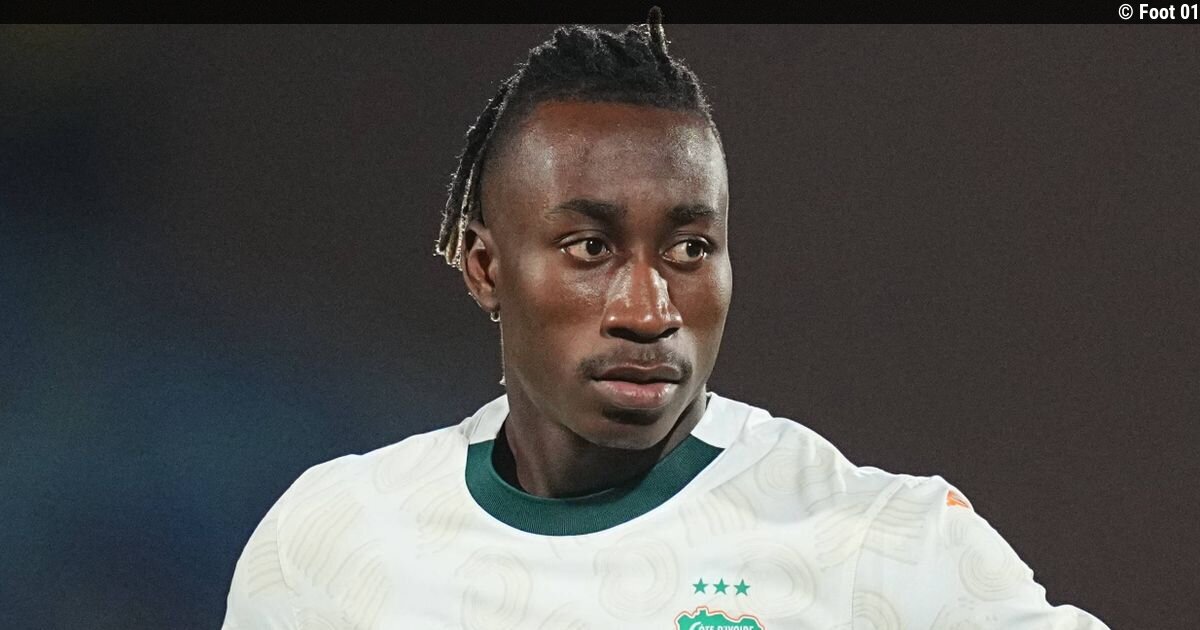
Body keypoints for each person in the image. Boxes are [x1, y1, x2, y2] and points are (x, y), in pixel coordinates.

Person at [223, 13, 1109, 629]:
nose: (650, 311)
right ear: (485, 268)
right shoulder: (333, 542)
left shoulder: (885, 549)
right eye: (590, 247)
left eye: (688, 248)